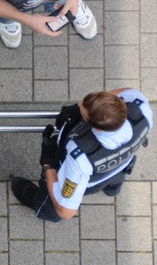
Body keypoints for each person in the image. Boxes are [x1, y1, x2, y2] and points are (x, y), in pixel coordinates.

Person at [12, 88, 153, 222]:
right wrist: (91, 108)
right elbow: (117, 94)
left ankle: (43, 208)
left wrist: (48, 164)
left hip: (90, 179)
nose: (79, 104)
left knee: (53, 206)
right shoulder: (140, 106)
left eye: (83, 112)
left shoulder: (79, 157)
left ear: (96, 127)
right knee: (116, 175)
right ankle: (113, 189)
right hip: (122, 163)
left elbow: (65, 211)